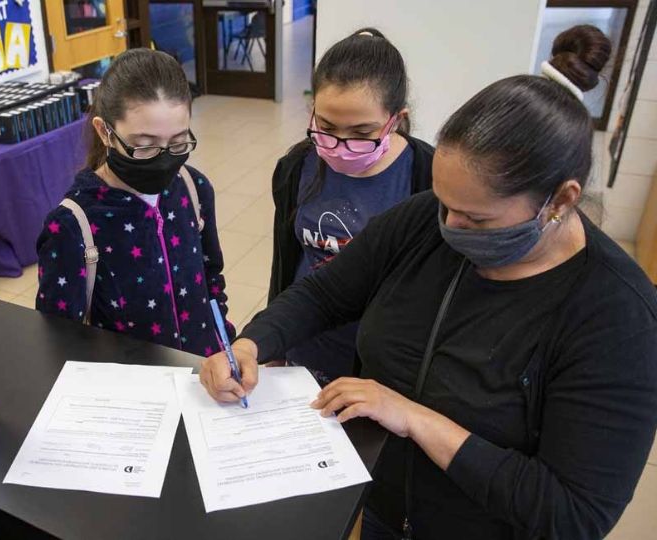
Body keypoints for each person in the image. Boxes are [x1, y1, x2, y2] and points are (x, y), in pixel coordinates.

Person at [199, 25, 657, 539]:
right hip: (380, 508)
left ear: (561, 200)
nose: (451, 228)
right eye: (444, 203)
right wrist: (253, 343)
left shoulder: (619, 318)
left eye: (478, 219)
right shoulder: (422, 221)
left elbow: (572, 514)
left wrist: (415, 417)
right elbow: (325, 292)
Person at [36, 49, 234, 357]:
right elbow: (61, 338)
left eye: (179, 142)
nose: (165, 158)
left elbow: (211, 277)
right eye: (144, 146)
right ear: (105, 132)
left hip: (203, 371)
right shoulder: (74, 225)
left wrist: (224, 344)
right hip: (135, 390)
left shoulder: (194, 188)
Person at [270, 28, 433, 384]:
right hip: (306, 344)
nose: (340, 145)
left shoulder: (427, 176)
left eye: (361, 134)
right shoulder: (296, 167)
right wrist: (273, 343)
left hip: (379, 365)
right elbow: (284, 262)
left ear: (396, 119)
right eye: (326, 126)